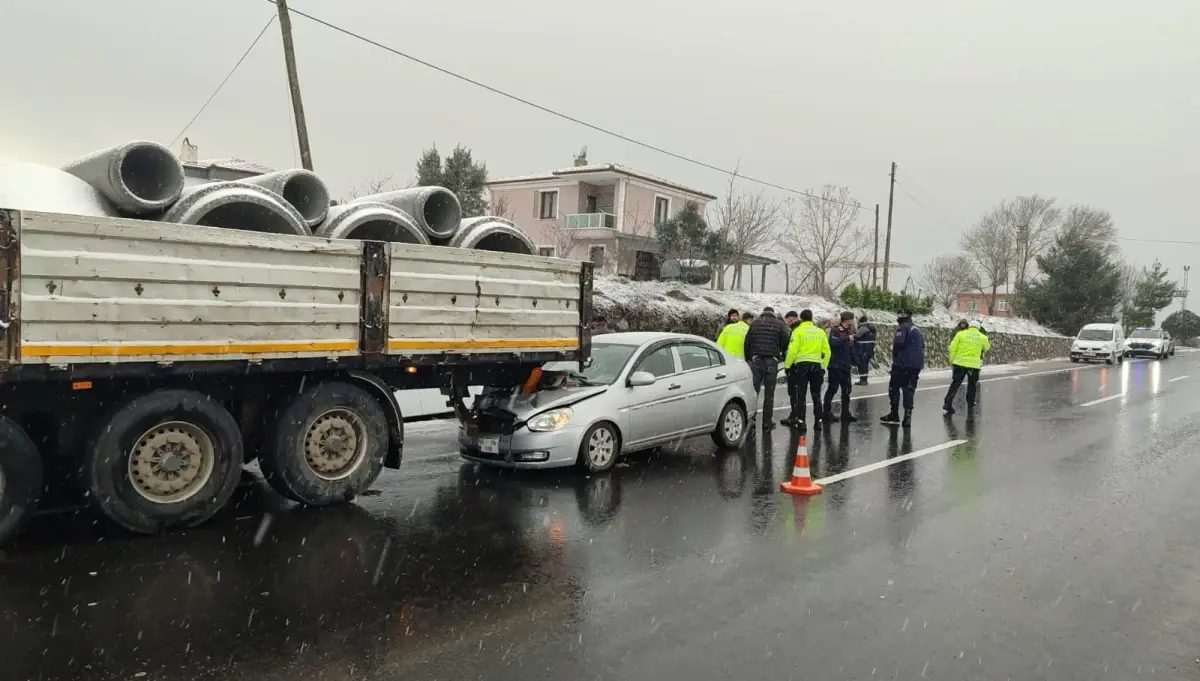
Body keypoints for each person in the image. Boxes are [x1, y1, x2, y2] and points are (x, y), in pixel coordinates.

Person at [743, 306, 791, 429]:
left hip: (757, 360)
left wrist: (750, 357)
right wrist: (779, 351)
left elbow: (747, 342)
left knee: (755, 391)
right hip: (771, 360)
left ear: (763, 313)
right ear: (773, 314)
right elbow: (786, 339)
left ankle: (751, 420)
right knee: (769, 393)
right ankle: (767, 422)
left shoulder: (755, 323)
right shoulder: (779, 324)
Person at [783, 309, 830, 432]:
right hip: (816, 367)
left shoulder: (798, 331)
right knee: (816, 395)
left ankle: (802, 421)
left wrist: (788, 366)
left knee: (801, 395)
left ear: (801, 319)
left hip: (802, 367)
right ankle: (818, 421)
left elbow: (792, 351)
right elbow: (827, 352)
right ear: (811, 317)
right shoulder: (820, 332)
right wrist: (823, 367)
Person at [880, 309, 925, 427]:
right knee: (909, 389)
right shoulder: (917, 329)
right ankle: (907, 417)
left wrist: (896, 359)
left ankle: (894, 413)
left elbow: (899, 344)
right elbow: (922, 346)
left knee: (893, 388)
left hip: (903, 364)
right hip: (916, 364)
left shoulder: (902, 328)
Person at [943, 319, 991, 415]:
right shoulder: (983, 337)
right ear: (978, 328)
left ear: (969, 326)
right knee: (972, 385)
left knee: (955, 384)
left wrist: (952, 360)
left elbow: (952, 347)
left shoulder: (961, 334)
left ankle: (948, 402)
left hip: (959, 363)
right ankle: (970, 404)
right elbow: (987, 347)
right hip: (974, 365)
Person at [823, 311, 858, 423]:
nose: (853, 322)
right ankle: (826, 413)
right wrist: (847, 338)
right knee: (832, 389)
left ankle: (845, 413)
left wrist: (855, 361)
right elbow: (833, 342)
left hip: (845, 365)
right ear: (846, 320)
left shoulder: (850, 331)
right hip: (835, 365)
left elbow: (851, 348)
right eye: (851, 319)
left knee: (847, 390)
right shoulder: (836, 330)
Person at [781, 311, 801, 419]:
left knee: (793, 391)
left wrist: (787, 366)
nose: (788, 323)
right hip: (804, 364)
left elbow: (791, 351)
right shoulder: (804, 329)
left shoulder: (795, 331)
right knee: (799, 392)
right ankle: (799, 415)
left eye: (789, 320)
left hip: (795, 365)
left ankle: (794, 415)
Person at [853, 314, 876, 385]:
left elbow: (856, 336)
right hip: (869, 349)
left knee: (862, 365)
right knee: (865, 365)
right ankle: (864, 380)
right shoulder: (872, 328)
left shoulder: (863, 328)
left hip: (862, 349)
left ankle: (862, 380)